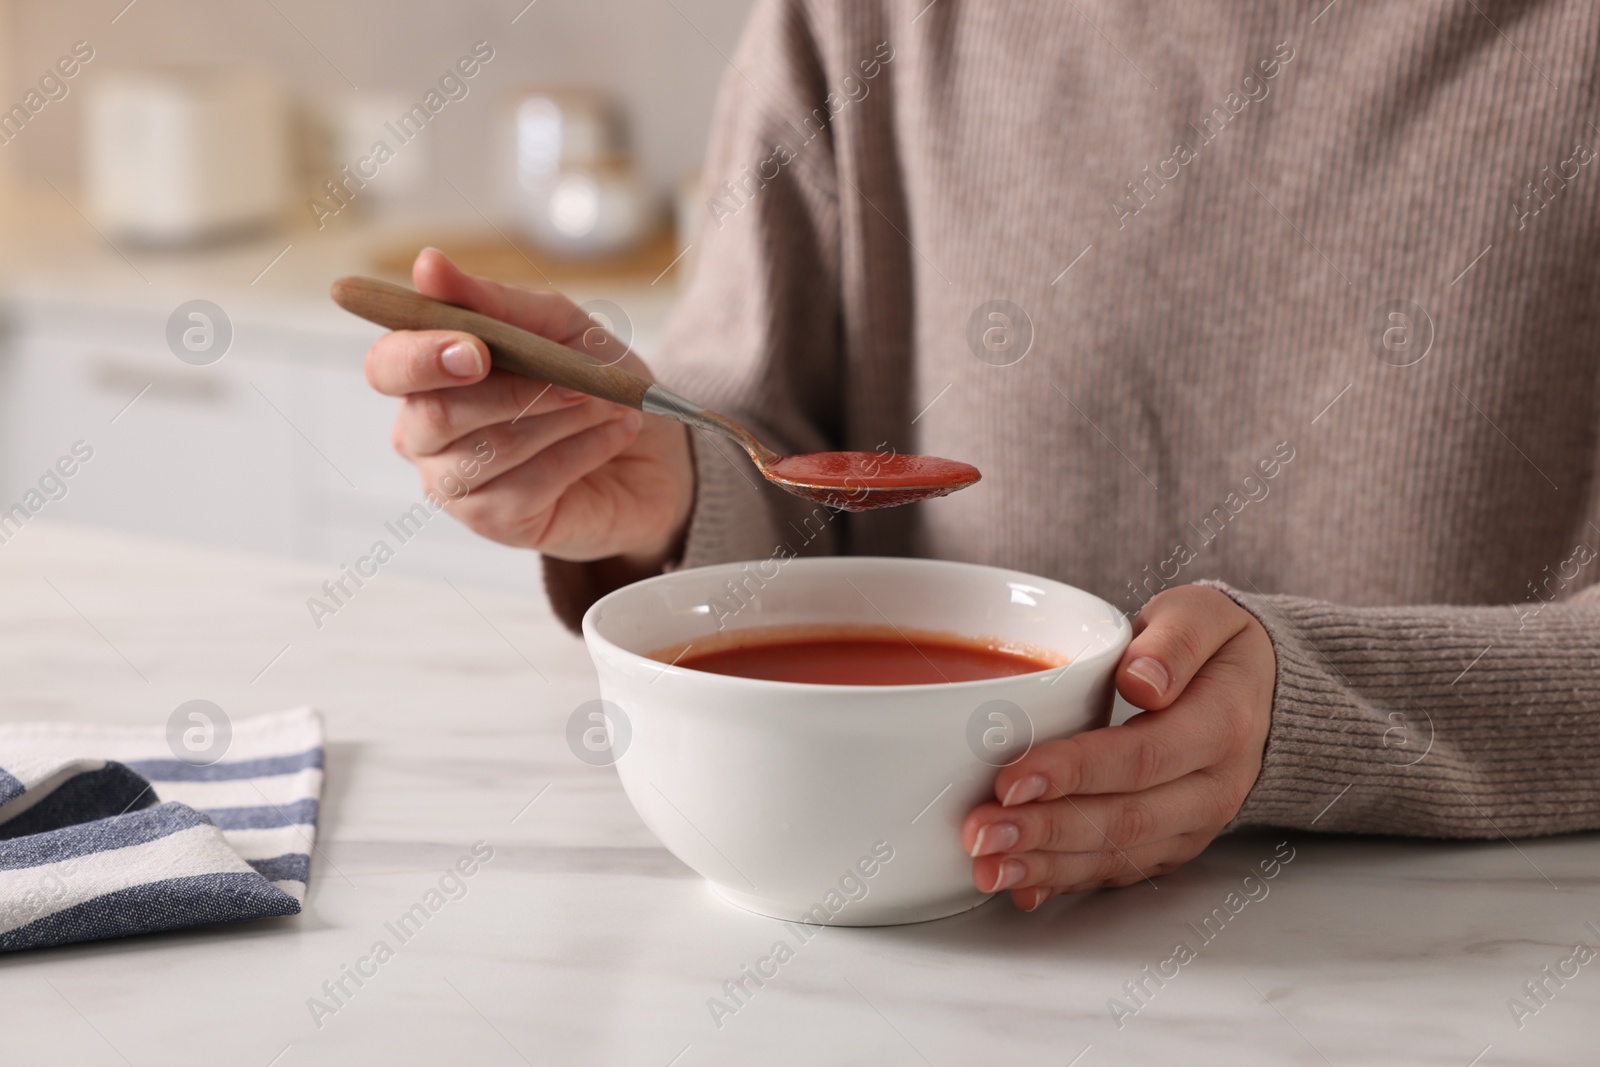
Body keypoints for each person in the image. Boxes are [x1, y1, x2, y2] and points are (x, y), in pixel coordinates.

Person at [363, 0, 1600, 912]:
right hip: (902, 947)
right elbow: (767, 444)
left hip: (1444, 963)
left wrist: (1322, 710)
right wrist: (666, 503)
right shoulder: (853, 24)